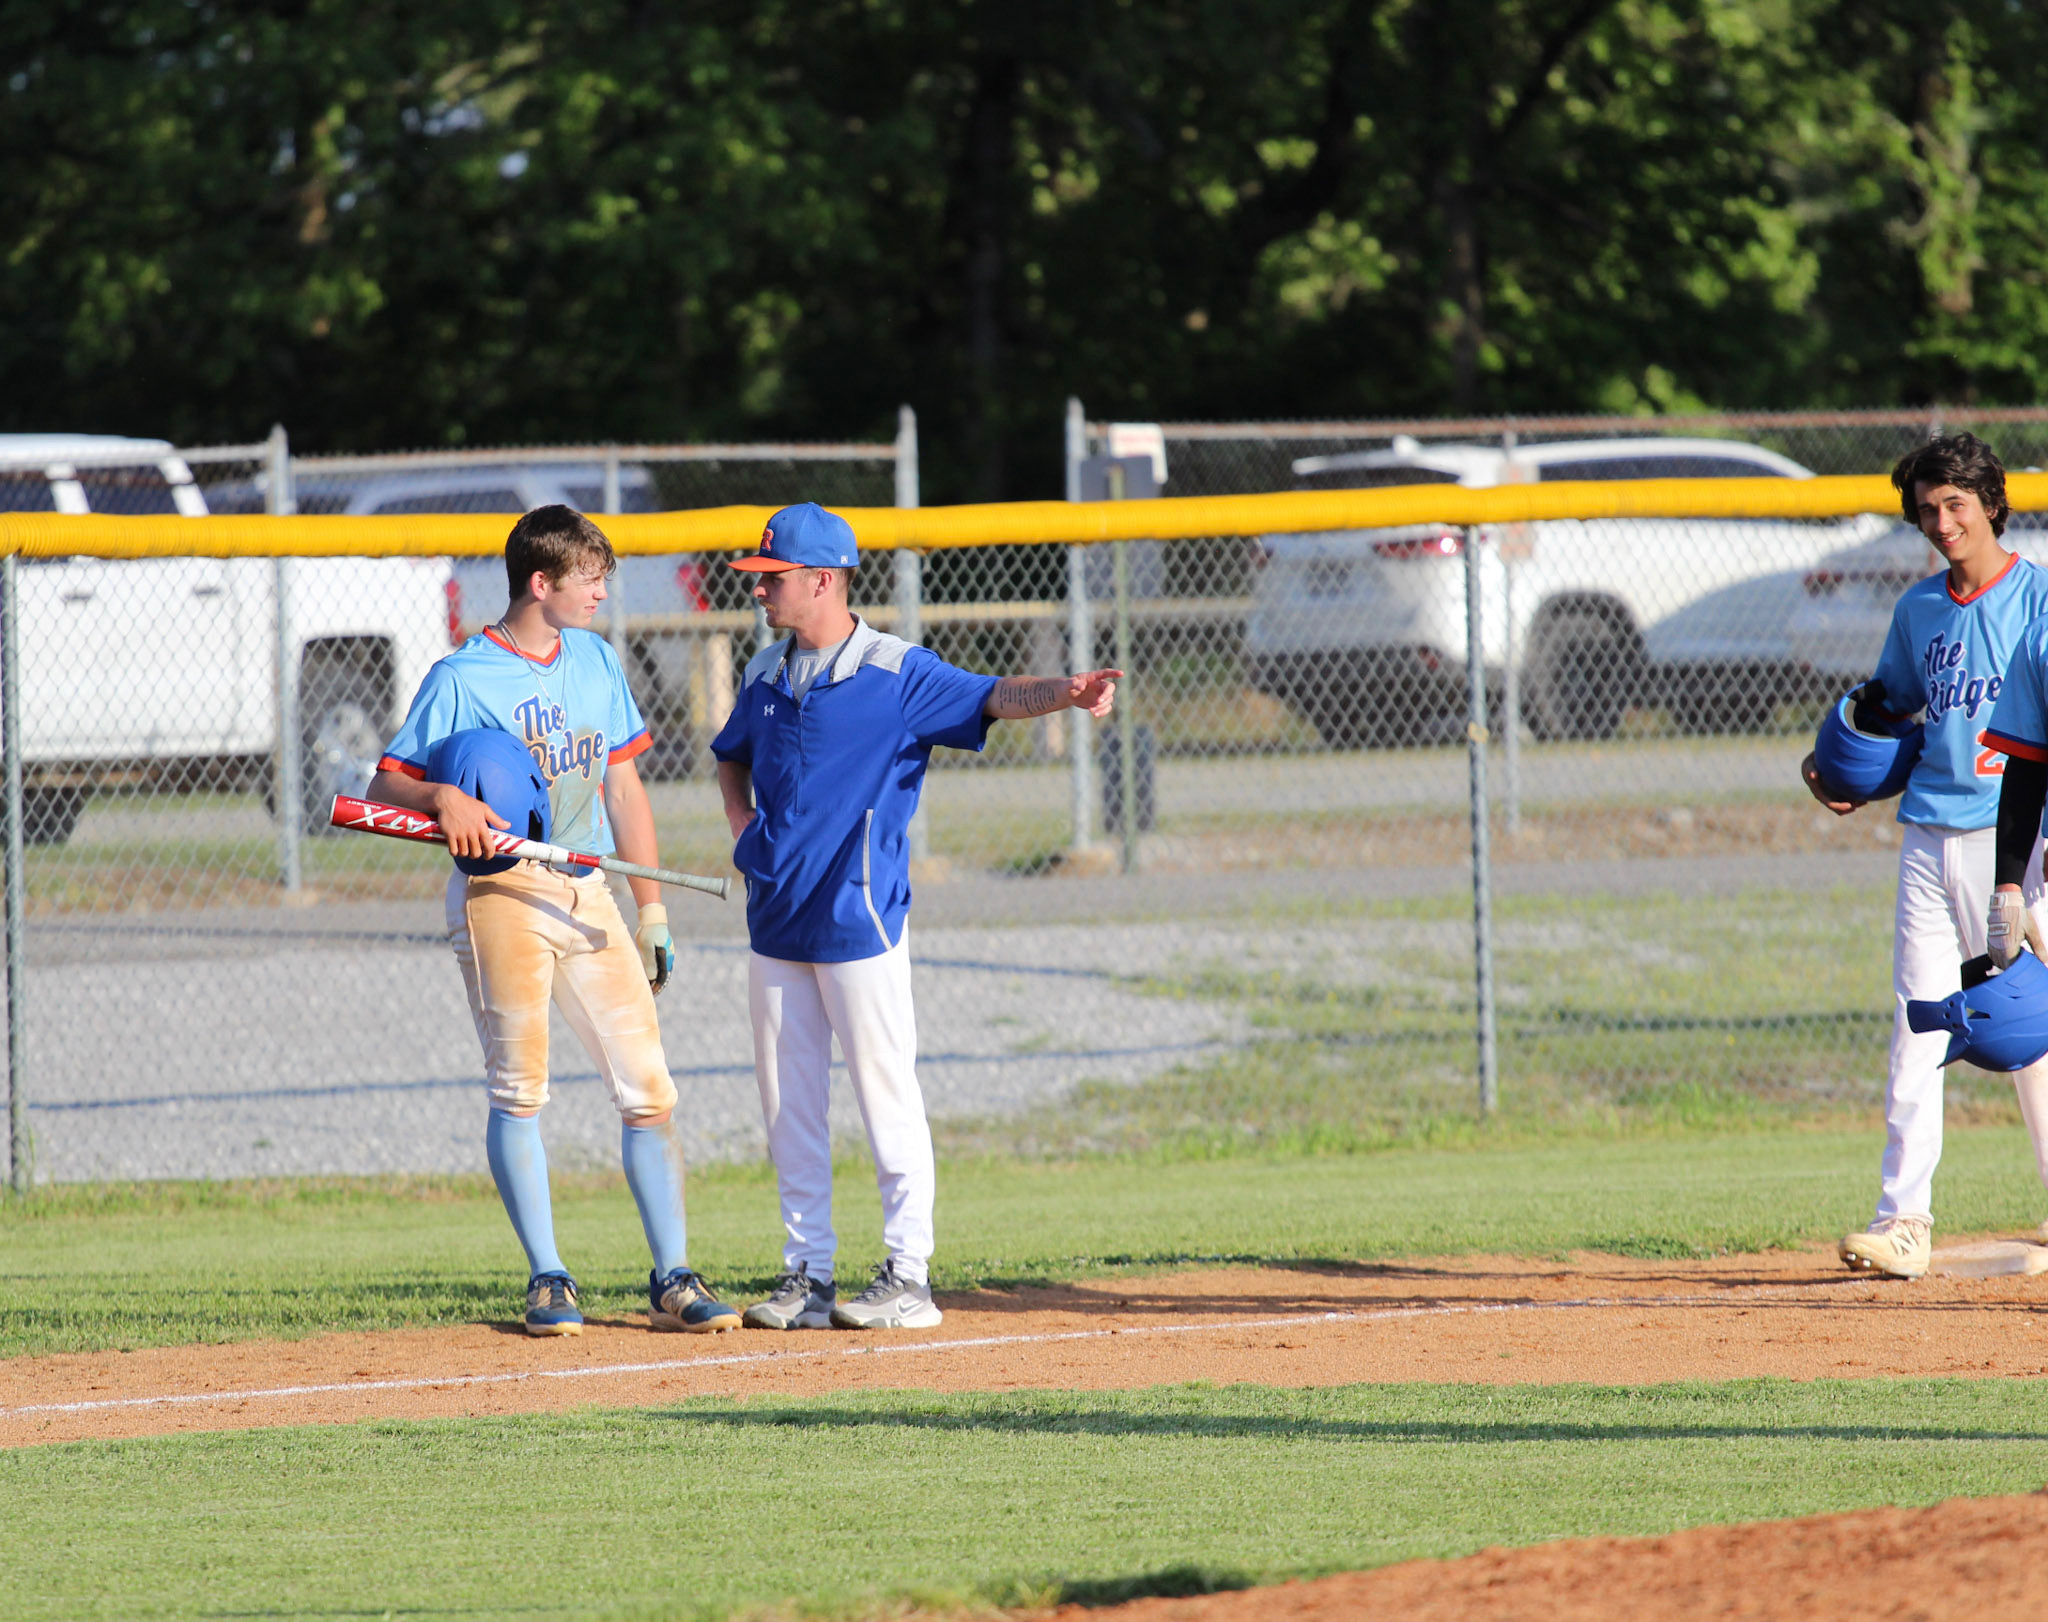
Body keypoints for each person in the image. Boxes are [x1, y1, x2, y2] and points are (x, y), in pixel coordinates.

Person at [712, 502, 1120, 1329]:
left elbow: (997, 696)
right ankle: (808, 1276)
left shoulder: (898, 672)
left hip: (859, 920)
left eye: (773, 579)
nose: (760, 591)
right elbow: (731, 761)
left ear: (822, 580)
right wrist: (744, 833)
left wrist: (1068, 693)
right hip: (776, 921)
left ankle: (908, 1277)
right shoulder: (762, 674)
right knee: (789, 1105)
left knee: (885, 1091)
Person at [367, 505, 741, 1337]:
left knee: (648, 1089)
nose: (604, 591)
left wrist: (653, 912)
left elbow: (622, 788)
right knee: (520, 1089)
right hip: (503, 894)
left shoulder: (596, 660)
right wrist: (443, 795)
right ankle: (549, 1278)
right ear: (541, 584)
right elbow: (385, 782)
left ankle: (674, 1275)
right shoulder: (462, 675)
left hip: (588, 888)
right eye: (590, 579)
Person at [1802, 434, 2048, 1278]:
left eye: (1955, 504)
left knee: (2026, 1029)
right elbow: (1890, 712)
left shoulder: (2037, 599)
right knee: (1919, 1019)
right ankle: (1904, 1221)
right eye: (1926, 509)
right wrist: (1839, 770)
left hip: (2012, 839)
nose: (1940, 522)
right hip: (1927, 830)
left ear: (1990, 503)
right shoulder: (1918, 612)